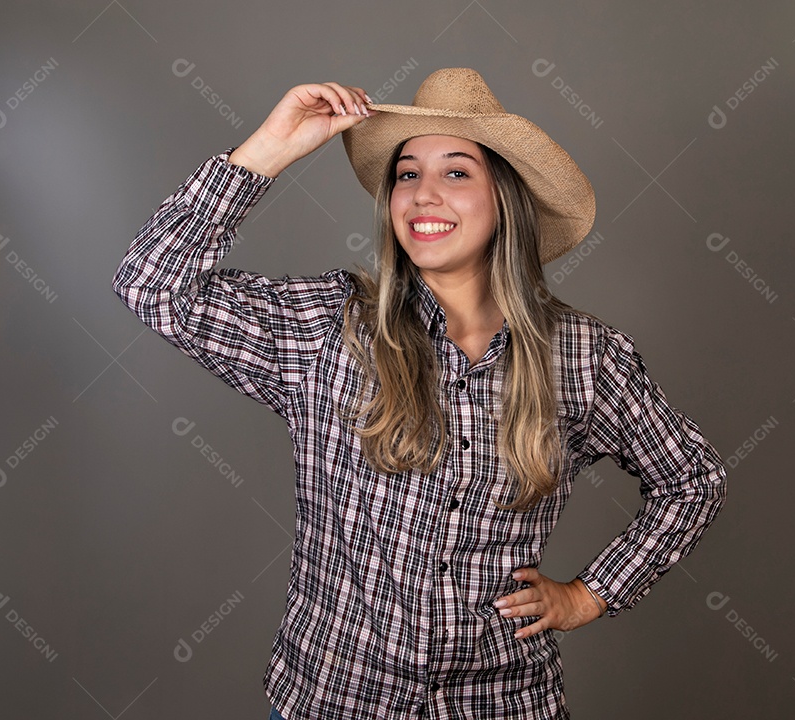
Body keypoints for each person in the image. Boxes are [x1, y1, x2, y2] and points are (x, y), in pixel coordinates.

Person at [113, 67, 727, 720]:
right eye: (407, 174)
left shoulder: (582, 355)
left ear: (505, 198)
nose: (422, 195)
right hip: (333, 703)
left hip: (502, 706)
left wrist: (589, 594)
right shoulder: (331, 327)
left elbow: (693, 478)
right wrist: (270, 149)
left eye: (456, 172)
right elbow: (153, 288)